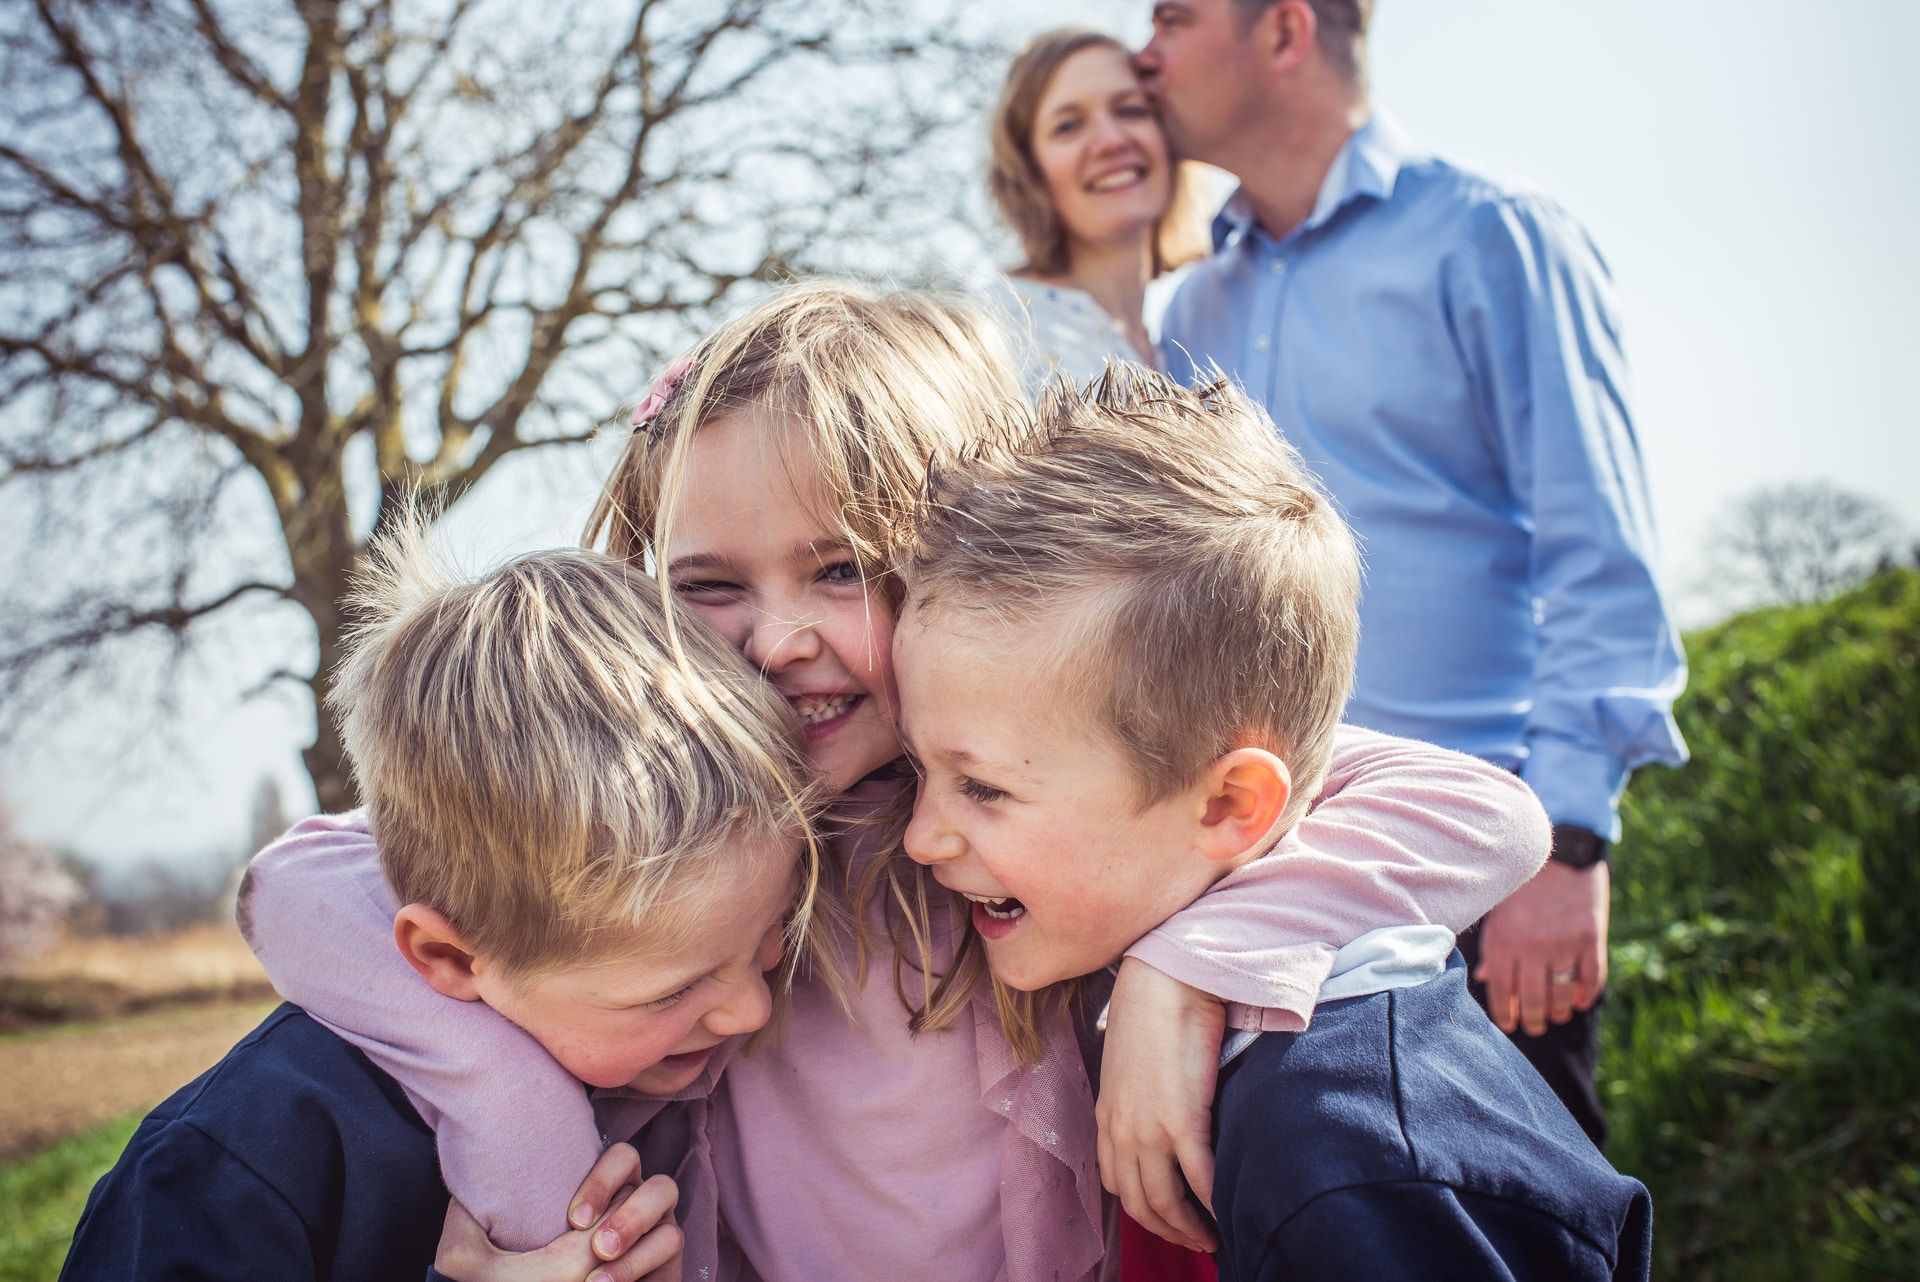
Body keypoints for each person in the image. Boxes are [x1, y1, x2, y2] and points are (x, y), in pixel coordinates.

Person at [241, 281, 1553, 1281]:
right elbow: (300, 884)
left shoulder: (1049, 770)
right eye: (710, 585)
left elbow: (1480, 812)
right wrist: (507, 1111)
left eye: (841, 570)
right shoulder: (658, 809)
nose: (779, 638)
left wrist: (1190, 962)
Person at [896, 365, 1654, 1282]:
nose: (920, 837)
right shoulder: (1159, 897)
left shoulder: (1354, 1165)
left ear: (1228, 806)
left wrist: (1183, 966)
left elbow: (1498, 811)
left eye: (982, 789)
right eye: (919, 770)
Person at [1139, 0, 1689, 1145]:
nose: (1145, 54)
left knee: (1509, 1215)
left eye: (1174, 18)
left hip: (1478, 866)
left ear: (1284, 32)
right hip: (1261, 876)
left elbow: (1599, 550)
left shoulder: (1492, 236)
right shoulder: (1194, 307)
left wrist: (1567, 843)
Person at [62, 529, 809, 1281]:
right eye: (674, 991)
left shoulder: (665, 1069)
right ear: (448, 956)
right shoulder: (231, 1175)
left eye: (769, 937)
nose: (751, 1010)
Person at [986, 29, 1210, 390]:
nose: (1111, 141)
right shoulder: (994, 336)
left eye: (1131, 110)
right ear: (1029, 168)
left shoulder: (1188, 338)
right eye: (1068, 126)